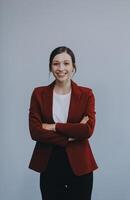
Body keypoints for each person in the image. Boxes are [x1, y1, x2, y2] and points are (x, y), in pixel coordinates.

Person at [28, 46, 98, 200]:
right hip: (49, 163)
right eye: (56, 63)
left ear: (73, 67)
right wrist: (71, 135)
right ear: (50, 67)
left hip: (80, 165)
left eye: (66, 63)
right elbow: (35, 132)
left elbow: (87, 130)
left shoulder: (86, 94)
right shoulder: (38, 94)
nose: (61, 68)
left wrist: (54, 127)